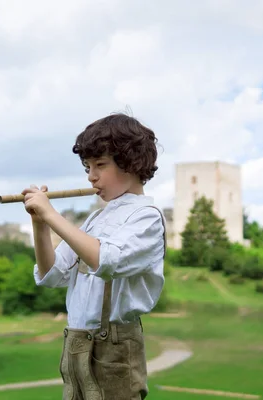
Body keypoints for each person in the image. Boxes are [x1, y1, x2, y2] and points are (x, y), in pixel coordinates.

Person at [21, 113, 166, 400]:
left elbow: (106, 261)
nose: (91, 176)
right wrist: (40, 223)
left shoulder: (146, 218)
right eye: (88, 166)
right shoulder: (94, 221)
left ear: (132, 163)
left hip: (114, 350)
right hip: (76, 347)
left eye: (101, 165)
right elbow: (52, 274)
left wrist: (52, 213)